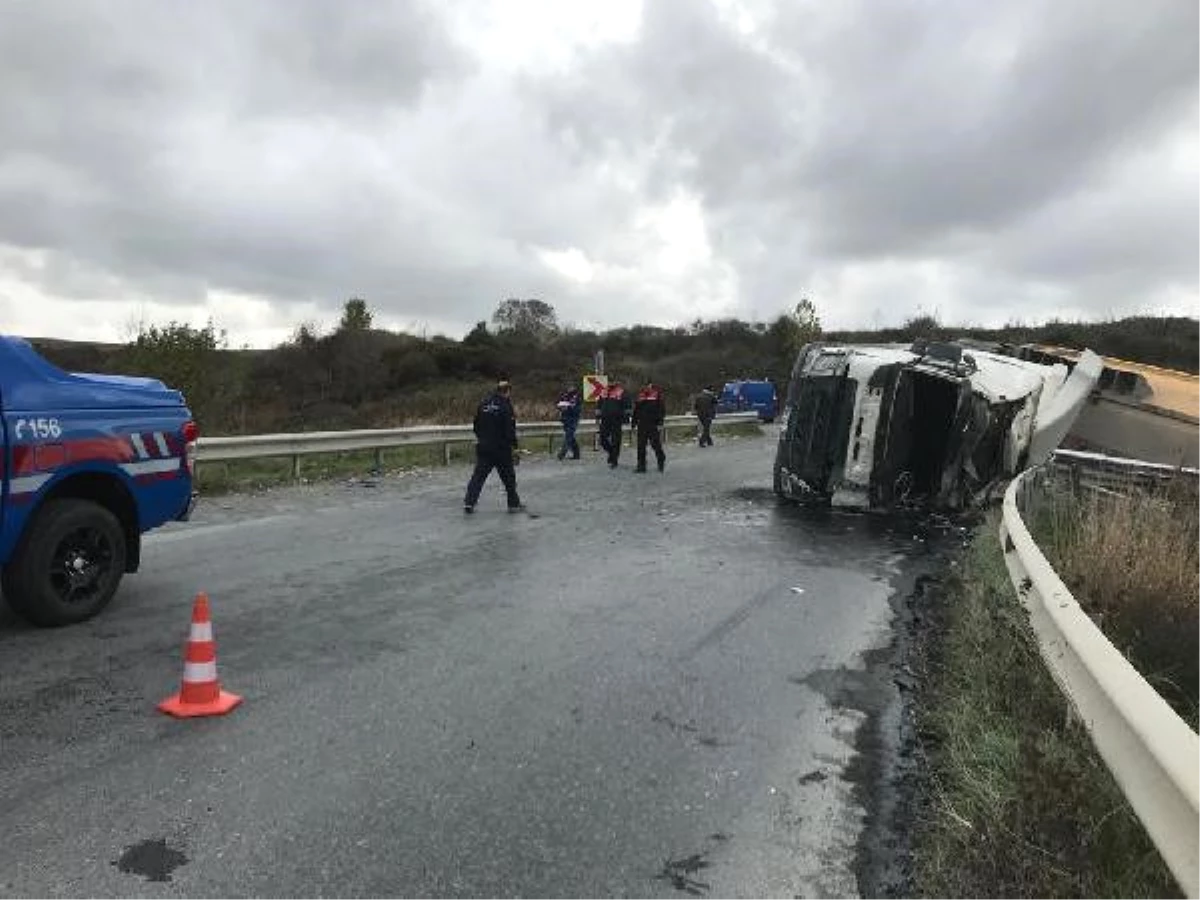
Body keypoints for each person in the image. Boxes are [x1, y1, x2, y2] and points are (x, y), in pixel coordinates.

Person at [463, 377, 523, 513]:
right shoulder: (506, 406)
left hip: (484, 447)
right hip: (501, 449)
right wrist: (515, 447)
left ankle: (469, 502)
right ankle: (513, 504)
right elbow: (509, 430)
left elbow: (476, 425)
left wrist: (482, 439)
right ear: (507, 392)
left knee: (478, 477)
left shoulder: (483, 404)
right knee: (508, 477)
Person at [632, 379, 667, 473]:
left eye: (647, 385)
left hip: (653, 424)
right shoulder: (640, 395)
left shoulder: (657, 395)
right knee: (641, 446)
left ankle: (661, 460)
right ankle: (641, 466)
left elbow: (662, 410)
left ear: (650, 385)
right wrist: (634, 422)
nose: (645, 387)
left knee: (655, 445)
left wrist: (660, 422)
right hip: (642, 424)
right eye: (643, 385)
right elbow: (636, 410)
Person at [596, 380, 630, 468]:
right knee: (603, 439)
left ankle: (614, 460)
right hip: (605, 419)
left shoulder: (621, 392)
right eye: (610, 382)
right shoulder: (604, 391)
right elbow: (599, 404)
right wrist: (598, 415)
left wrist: (626, 418)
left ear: (616, 382)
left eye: (613, 382)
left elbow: (627, 405)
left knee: (616, 441)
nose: (611, 383)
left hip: (617, 420)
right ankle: (611, 453)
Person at [555, 385, 582, 460]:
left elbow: (577, 410)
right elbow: (557, 403)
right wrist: (560, 407)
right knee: (571, 437)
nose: (570, 389)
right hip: (565, 419)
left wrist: (569, 407)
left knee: (568, 437)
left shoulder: (576, 397)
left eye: (571, 388)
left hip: (573, 419)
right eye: (569, 388)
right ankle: (577, 454)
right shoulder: (564, 395)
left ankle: (562, 453)